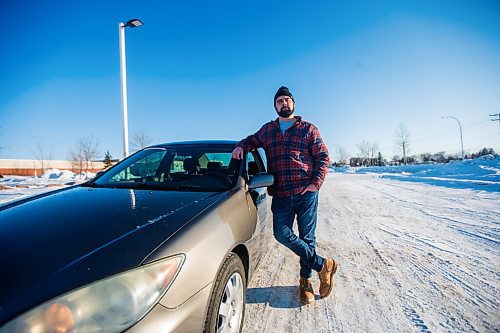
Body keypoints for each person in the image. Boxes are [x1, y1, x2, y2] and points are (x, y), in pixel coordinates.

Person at [232, 86, 337, 305]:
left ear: (294, 104)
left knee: (308, 237)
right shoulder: (268, 130)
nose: (284, 103)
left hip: (306, 193)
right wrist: (241, 145)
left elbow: (323, 157)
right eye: (280, 101)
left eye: (287, 100)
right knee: (281, 234)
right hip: (280, 194)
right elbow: (251, 140)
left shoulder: (308, 128)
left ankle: (305, 282)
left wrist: (315, 184)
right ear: (275, 106)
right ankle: (323, 265)